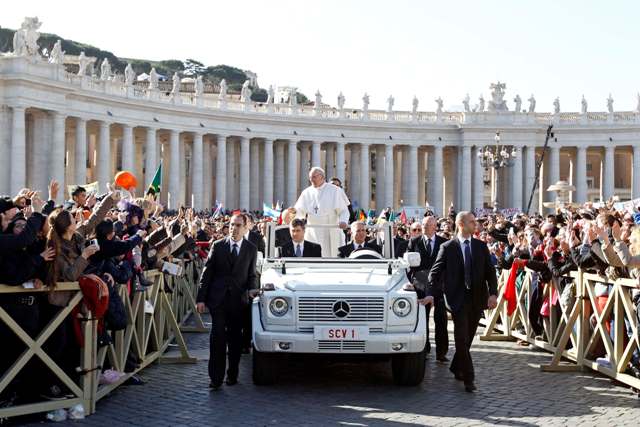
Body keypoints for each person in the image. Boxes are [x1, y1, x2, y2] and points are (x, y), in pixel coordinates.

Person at [421, 211, 498, 393]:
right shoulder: (448, 247)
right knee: (461, 338)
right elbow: (435, 273)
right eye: (472, 222)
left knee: (468, 338)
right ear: (461, 224)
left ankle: (457, 366)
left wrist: (493, 294)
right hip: (457, 299)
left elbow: (490, 272)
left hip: (477, 298)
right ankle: (469, 377)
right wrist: (432, 293)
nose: (476, 225)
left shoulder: (480, 246)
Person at [196, 214, 258, 390]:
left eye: (238, 225)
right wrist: (201, 299)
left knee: (235, 340)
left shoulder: (251, 249)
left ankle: (232, 374)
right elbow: (206, 274)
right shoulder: (218, 246)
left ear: (245, 228)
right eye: (232, 225)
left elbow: (252, 275)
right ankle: (215, 378)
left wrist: (252, 290)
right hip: (218, 300)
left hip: (238, 302)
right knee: (217, 338)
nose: (234, 228)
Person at [407, 216, 448, 361]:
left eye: (428, 225)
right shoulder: (414, 241)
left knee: (441, 319)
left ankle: (442, 352)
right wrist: (409, 282)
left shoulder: (444, 243)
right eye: (423, 224)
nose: (424, 227)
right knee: (421, 319)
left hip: (439, 285)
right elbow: (408, 264)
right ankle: (424, 348)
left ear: (435, 227)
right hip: (420, 285)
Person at [293, 167, 350, 257]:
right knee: (313, 256)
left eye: (314, 177)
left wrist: (343, 221)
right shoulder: (306, 192)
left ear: (322, 177)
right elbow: (300, 211)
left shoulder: (334, 190)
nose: (312, 180)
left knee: (331, 256)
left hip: (330, 229)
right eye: (311, 178)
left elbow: (344, 211)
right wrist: (293, 213)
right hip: (313, 231)